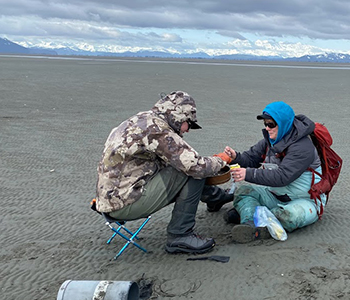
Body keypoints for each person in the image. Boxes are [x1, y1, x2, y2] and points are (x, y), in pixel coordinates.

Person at [95, 90, 233, 254]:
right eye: (189, 123)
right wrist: (222, 160)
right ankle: (179, 235)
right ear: (178, 116)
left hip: (109, 199)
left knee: (181, 166)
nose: (188, 129)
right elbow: (195, 166)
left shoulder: (142, 120)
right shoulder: (156, 130)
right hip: (123, 203)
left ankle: (215, 198)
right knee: (190, 170)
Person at [220, 101, 327, 243]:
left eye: (271, 124)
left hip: (304, 200)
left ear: (283, 123)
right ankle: (249, 223)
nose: (267, 128)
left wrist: (248, 174)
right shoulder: (269, 141)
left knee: (289, 216)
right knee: (244, 191)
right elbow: (250, 158)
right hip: (274, 195)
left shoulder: (303, 147)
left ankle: (258, 224)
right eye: (265, 124)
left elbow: (283, 177)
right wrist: (235, 157)